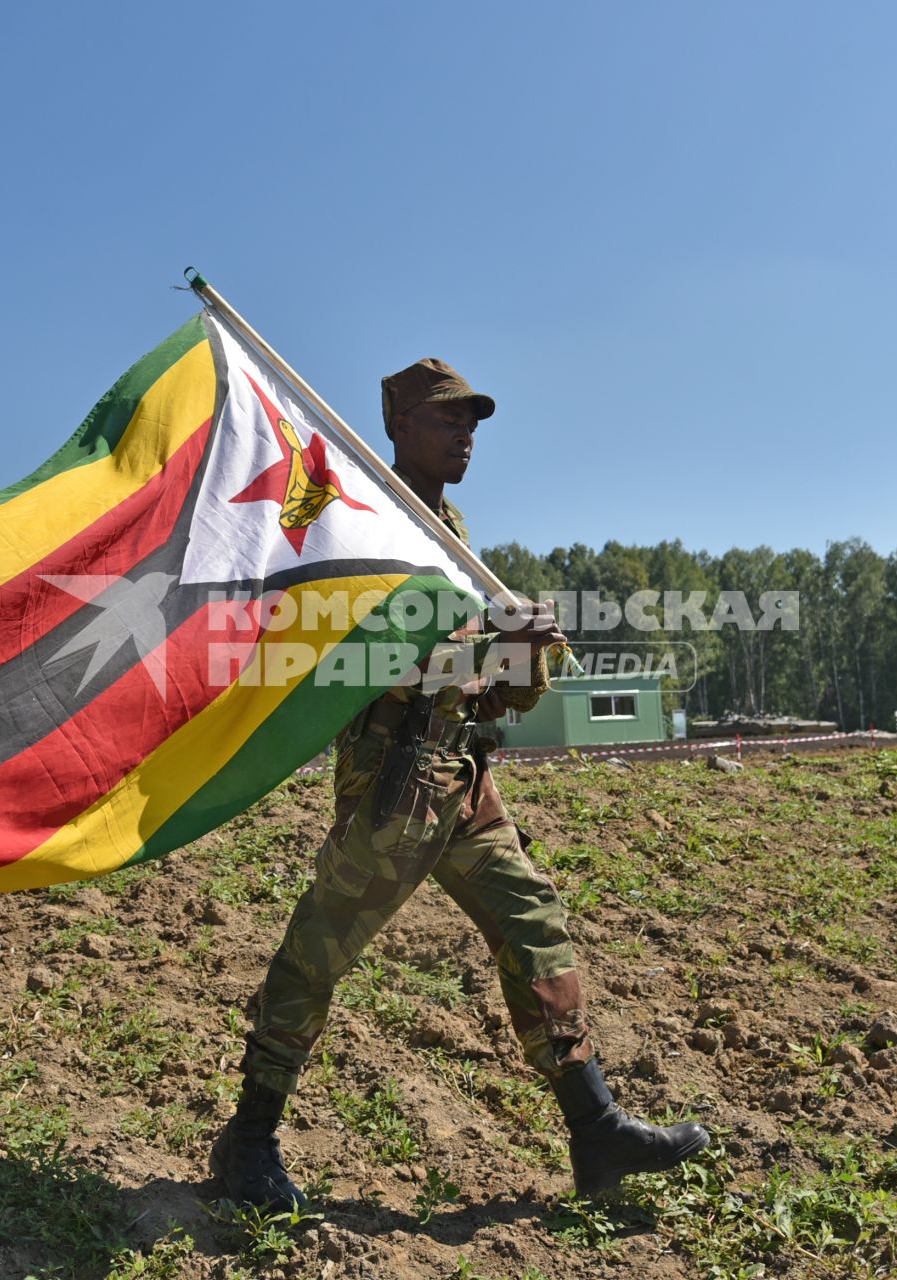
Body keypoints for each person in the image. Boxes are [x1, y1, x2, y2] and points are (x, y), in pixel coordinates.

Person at [211, 358, 709, 1210]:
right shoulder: (362, 524)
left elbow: (486, 684)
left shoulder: (450, 528)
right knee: (320, 949)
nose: (465, 434)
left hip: (461, 775)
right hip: (395, 784)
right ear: (398, 425)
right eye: (448, 419)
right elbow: (358, 660)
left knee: (534, 929)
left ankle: (596, 1130)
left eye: (473, 421)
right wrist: (485, 649)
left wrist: (523, 649)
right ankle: (248, 1137)